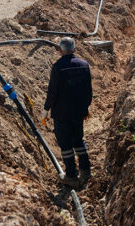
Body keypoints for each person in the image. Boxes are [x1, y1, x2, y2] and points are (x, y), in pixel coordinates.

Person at [40, 37, 93, 187]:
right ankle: (86, 171)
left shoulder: (58, 67)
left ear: (60, 50)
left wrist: (46, 109)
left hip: (62, 113)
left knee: (65, 144)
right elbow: (88, 91)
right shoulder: (84, 65)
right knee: (78, 139)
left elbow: (52, 92)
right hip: (79, 112)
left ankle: (71, 176)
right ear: (74, 49)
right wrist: (85, 107)